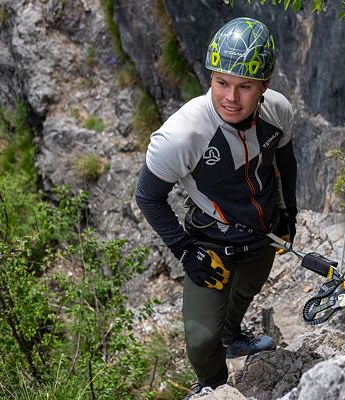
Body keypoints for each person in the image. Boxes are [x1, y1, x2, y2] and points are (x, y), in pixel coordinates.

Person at [134, 17, 298, 399]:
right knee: (199, 340)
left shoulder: (278, 111)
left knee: (246, 290)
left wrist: (290, 214)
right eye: (221, 81)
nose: (231, 97)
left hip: (264, 229)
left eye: (245, 86)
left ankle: (233, 336)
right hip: (210, 239)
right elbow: (148, 196)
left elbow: (286, 164)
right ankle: (212, 387)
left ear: (264, 87)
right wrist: (184, 251)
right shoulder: (181, 135)